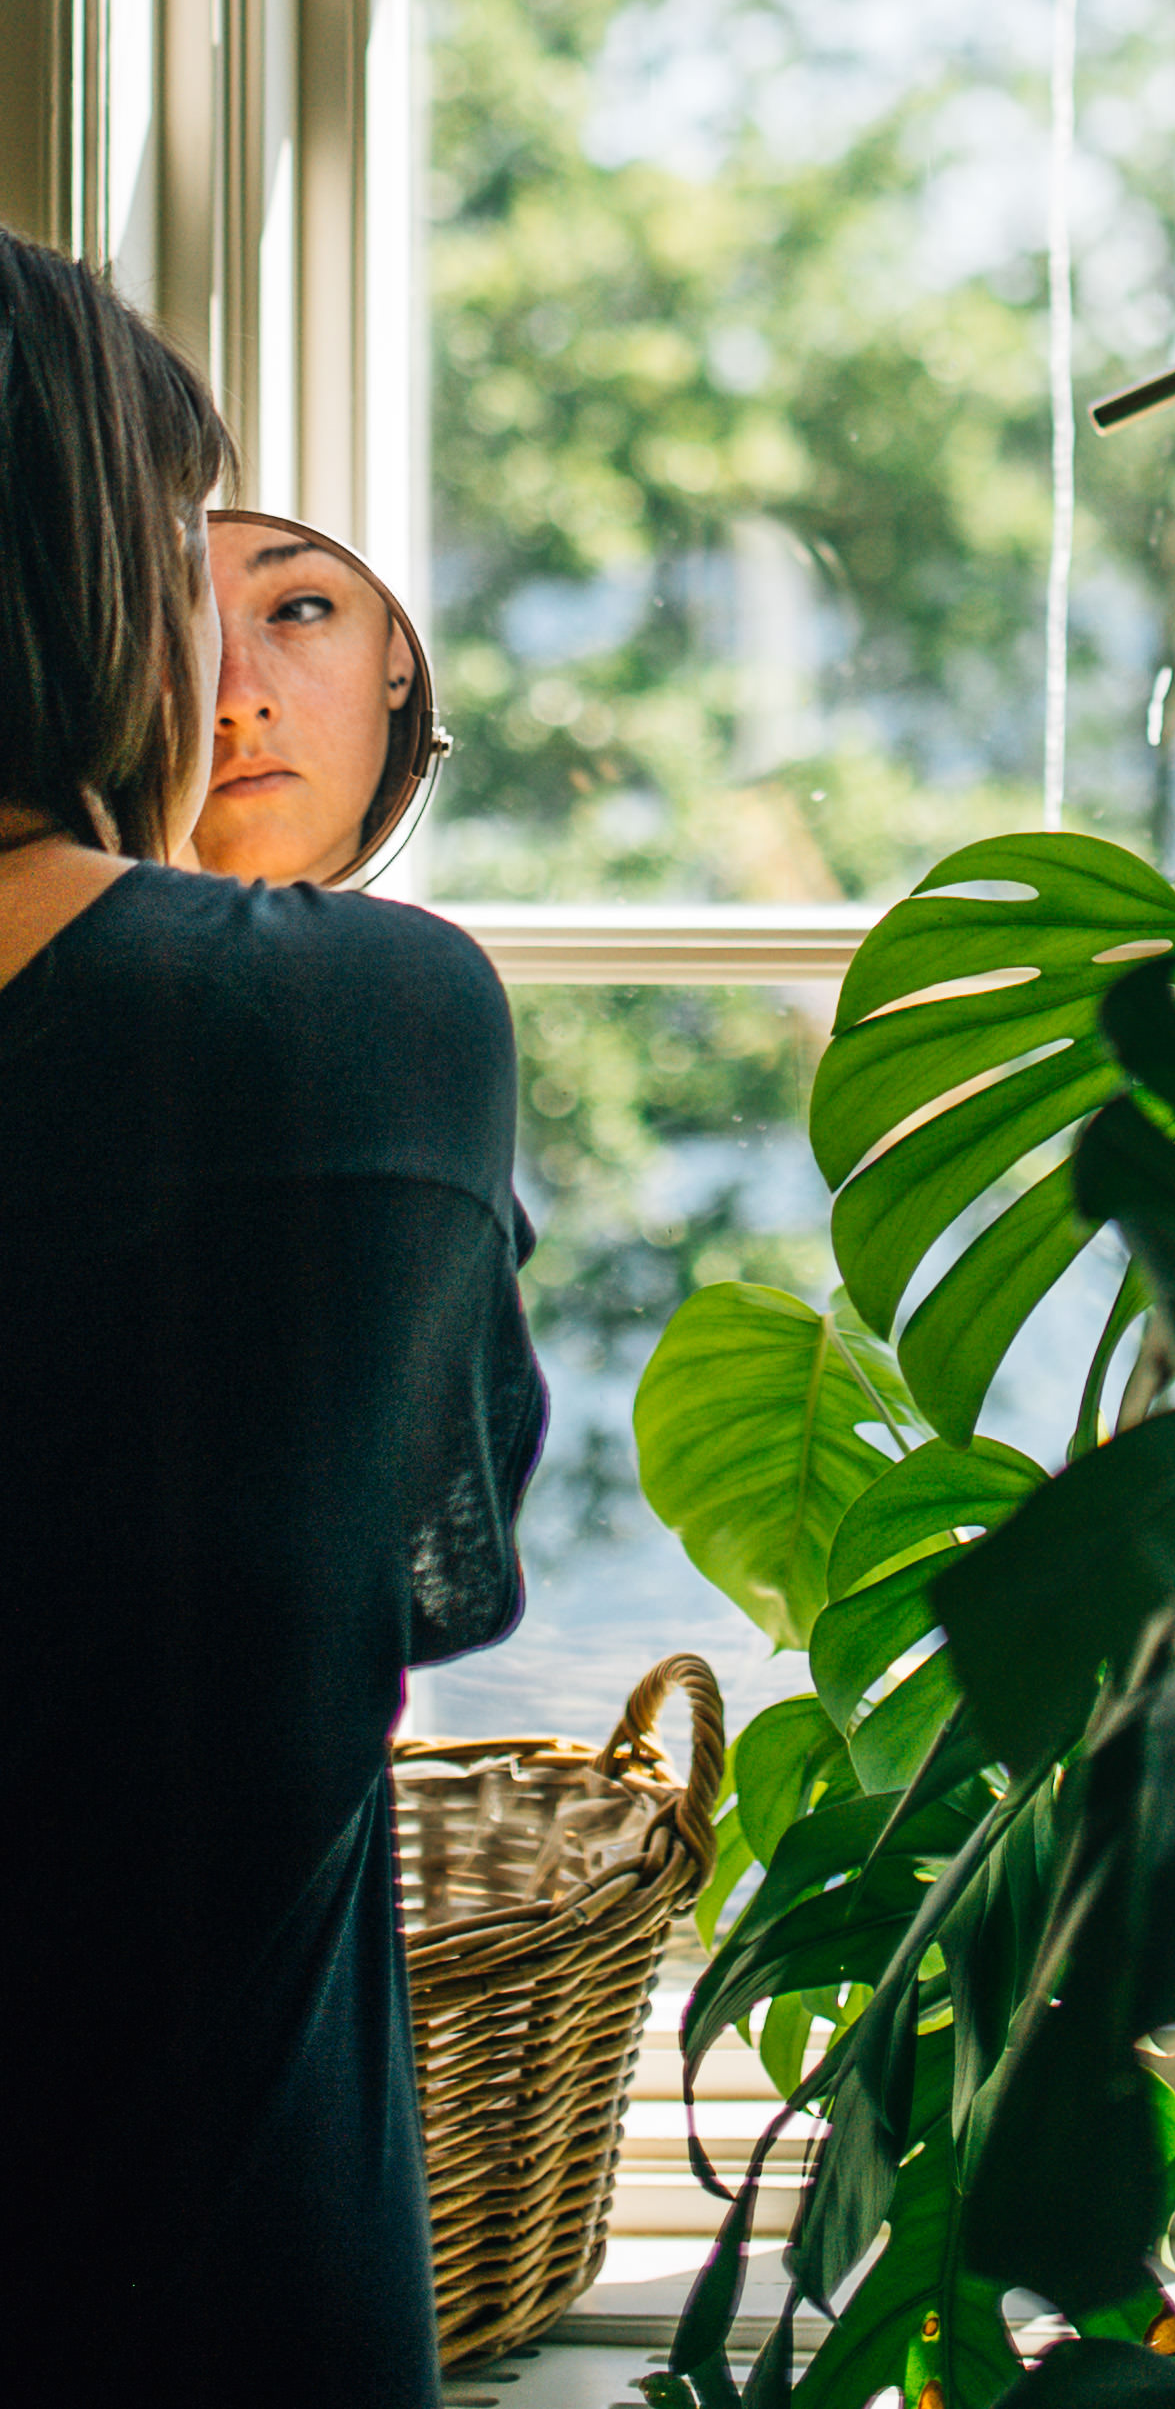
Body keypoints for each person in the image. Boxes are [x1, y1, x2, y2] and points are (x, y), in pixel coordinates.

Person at [0, 231, 546, 2405]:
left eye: (304, 603)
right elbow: (423, 1562)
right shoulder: (362, 1023)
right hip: (192, 2264)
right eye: (180, 564)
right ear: (85, 587)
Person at [194, 516, 422, 886]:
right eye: (168, 628)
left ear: (397, 657)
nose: (239, 701)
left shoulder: (427, 947)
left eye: (299, 610)